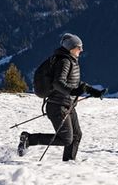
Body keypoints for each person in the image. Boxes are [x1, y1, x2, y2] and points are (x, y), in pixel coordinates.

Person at [17, 33, 102, 161]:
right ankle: (29, 139)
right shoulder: (65, 61)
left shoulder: (70, 60)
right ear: (71, 48)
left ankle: (69, 163)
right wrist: (73, 92)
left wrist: (93, 91)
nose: (81, 50)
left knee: (77, 135)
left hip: (68, 105)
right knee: (66, 138)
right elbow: (58, 83)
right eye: (79, 47)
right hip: (58, 106)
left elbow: (74, 83)